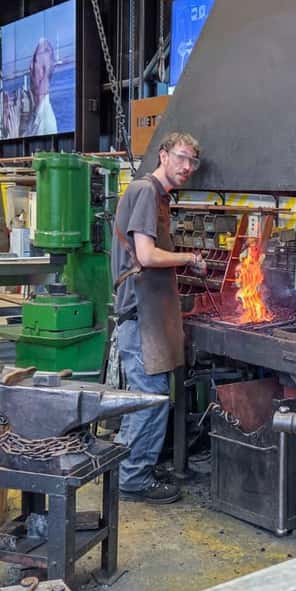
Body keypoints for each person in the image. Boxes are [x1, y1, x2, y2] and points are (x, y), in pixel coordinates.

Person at [111, 132, 206, 504]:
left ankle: (137, 466)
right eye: (181, 158)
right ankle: (132, 480)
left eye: (193, 163)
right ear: (163, 155)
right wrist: (189, 258)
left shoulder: (157, 196)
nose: (187, 167)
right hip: (139, 312)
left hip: (149, 312)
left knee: (149, 396)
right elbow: (146, 256)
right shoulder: (146, 191)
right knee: (148, 398)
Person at [4, 38, 59, 139]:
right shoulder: (36, 115)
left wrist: (14, 136)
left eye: (34, 61)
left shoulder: (46, 123)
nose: (30, 67)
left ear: (43, 71)